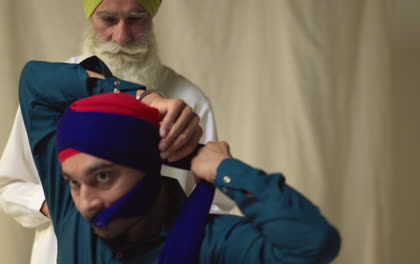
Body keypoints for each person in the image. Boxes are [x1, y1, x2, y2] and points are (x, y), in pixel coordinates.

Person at [18, 59, 341, 263]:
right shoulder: (72, 214)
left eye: (103, 177)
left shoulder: (212, 242)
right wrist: (143, 98)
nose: (86, 202)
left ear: (147, 165)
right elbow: (36, 82)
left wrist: (222, 169)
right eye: (73, 182)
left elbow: (311, 245)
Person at [0, 1, 235, 263]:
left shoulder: (188, 100)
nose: (121, 36)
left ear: (152, 19)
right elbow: (10, 185)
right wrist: (68, 209)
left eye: (135, 19)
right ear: (90, 19)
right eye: (108, 20)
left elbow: (215, 204)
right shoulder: (52, 94)